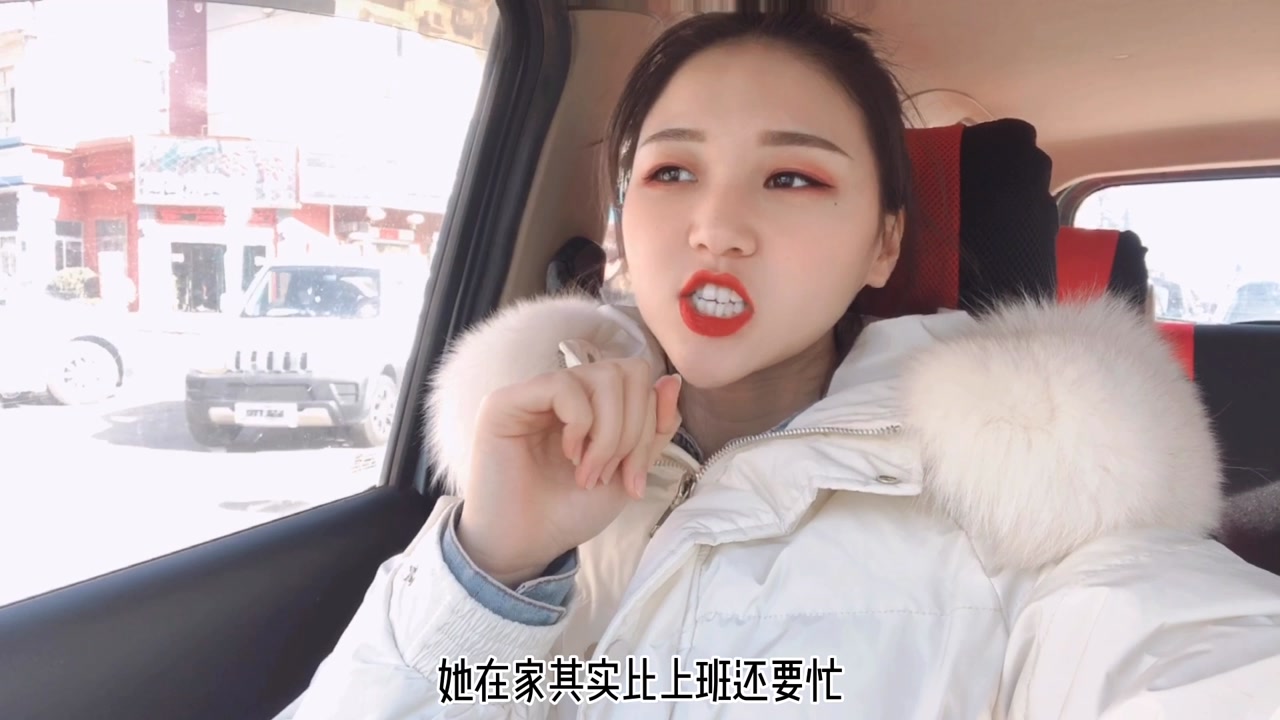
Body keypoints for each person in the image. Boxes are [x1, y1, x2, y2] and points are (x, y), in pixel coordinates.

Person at [278, 11, 1280, 719]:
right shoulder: (534, 469)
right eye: (671, 171)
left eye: (792, 177)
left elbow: (1181, 658)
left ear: (883, 243)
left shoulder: (1036, 497)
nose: (715, 226)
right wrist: (493, 568)